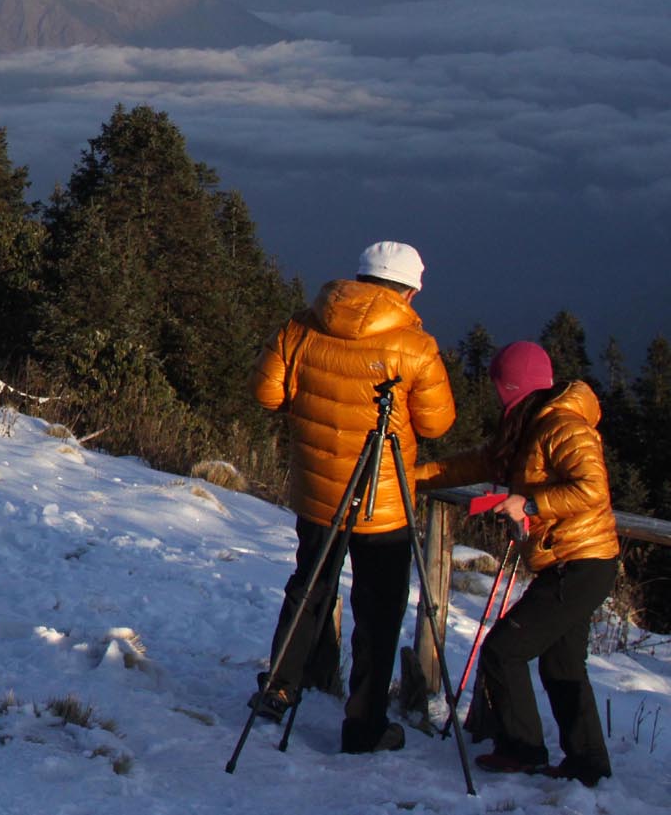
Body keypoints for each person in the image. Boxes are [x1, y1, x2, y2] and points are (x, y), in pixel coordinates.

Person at [249, 241, 457, 753]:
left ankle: (278, 689)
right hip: (384, 503)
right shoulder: (415, 346)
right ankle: (364, 725)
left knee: (309, 588)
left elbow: (267, 393)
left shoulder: (302, 326)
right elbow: (437, 423)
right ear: (410, 291)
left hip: (319, 491)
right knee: (378, 611)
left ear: (359, 278)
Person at [414, 341, 620, 787]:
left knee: (504, 650)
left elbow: (592, 489)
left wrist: (528, 504)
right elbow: (478, 463)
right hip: (573, 560)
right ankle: (587, 764)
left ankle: (523, 750)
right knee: (562, 665)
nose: (494, 395)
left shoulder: (562, 425)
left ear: (512, 387)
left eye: (498, 386)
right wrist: (412, 476)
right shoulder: (529, 426)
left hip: (580, 562)